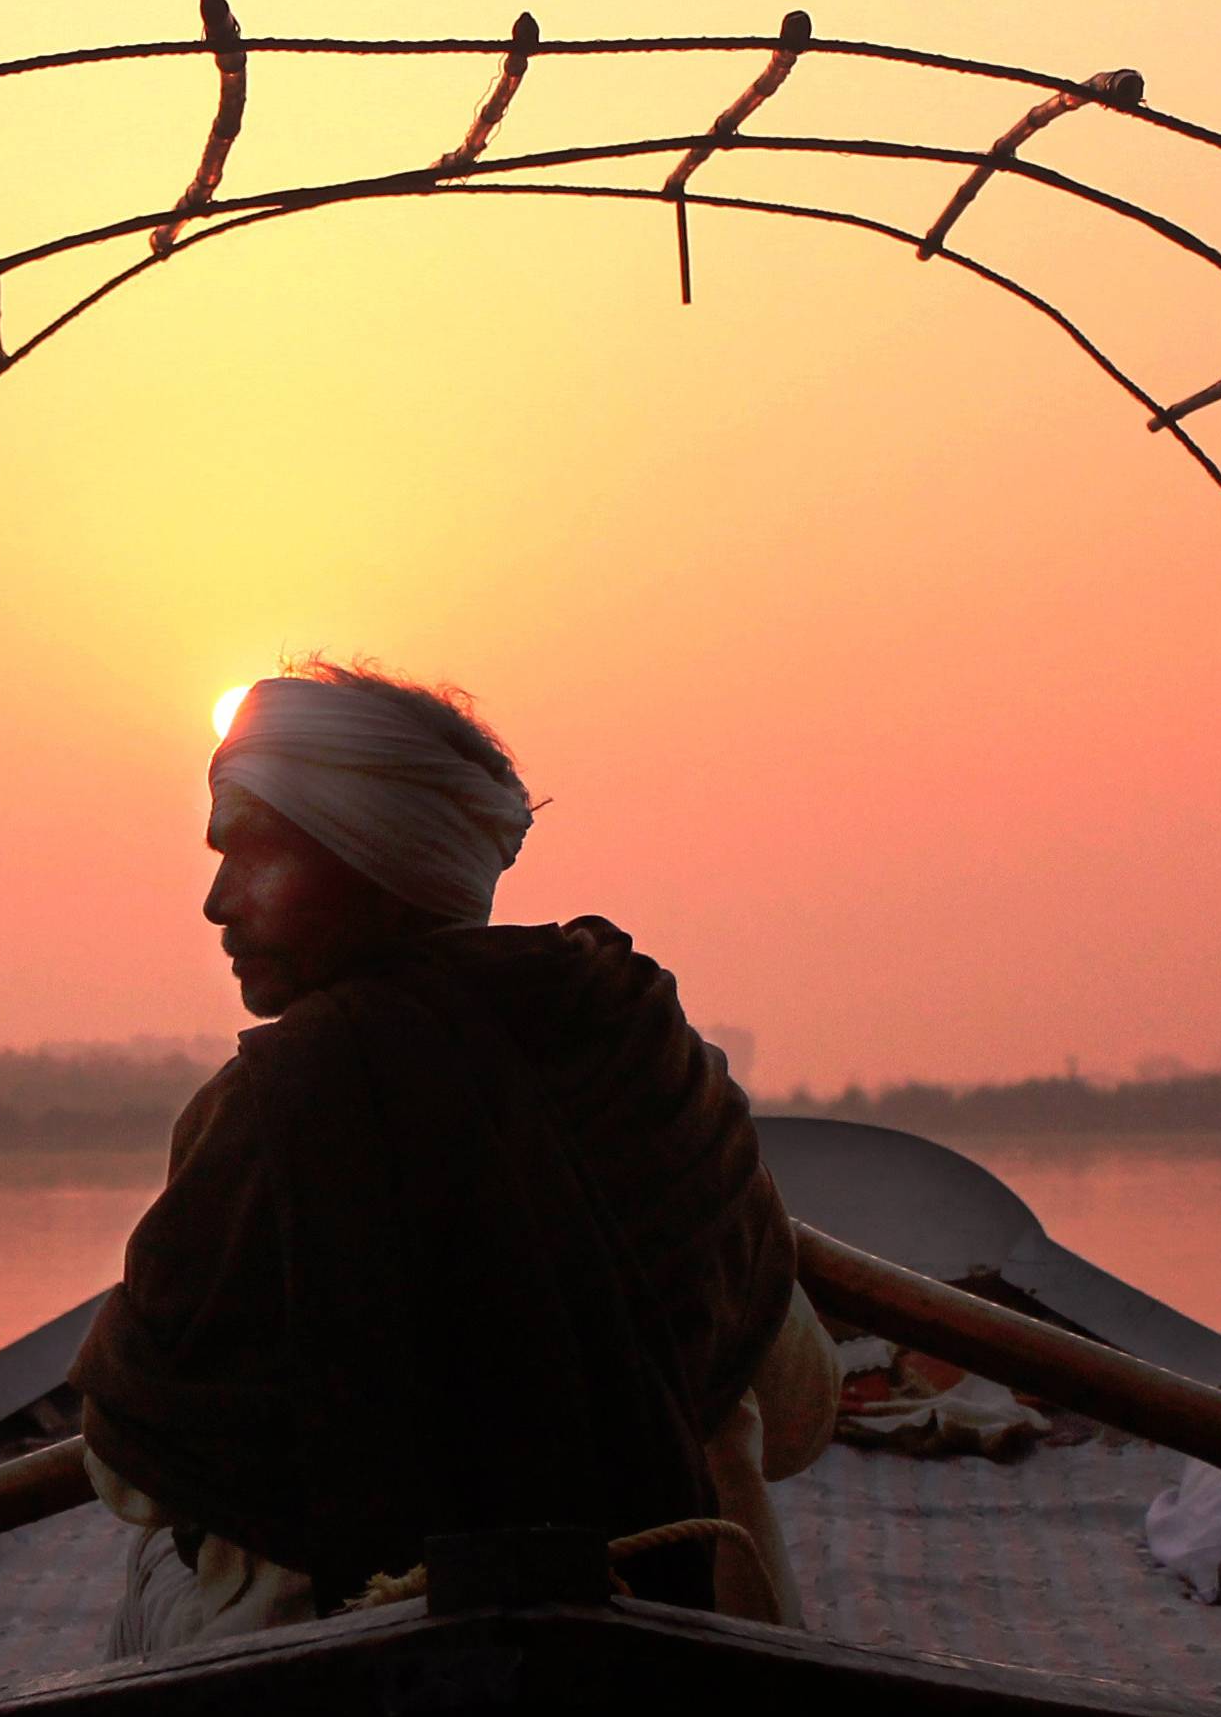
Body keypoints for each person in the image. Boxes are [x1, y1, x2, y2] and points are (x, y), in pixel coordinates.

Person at [71, 658, 819, 1656]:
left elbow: (127, 1472)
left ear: (368, 856)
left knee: (151, 1560)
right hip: (687, 1653)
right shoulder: (642, 1044)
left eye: (251, 854)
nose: (216, 901)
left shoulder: (270, 1108)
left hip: (330, 1687)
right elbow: (803, 1413)